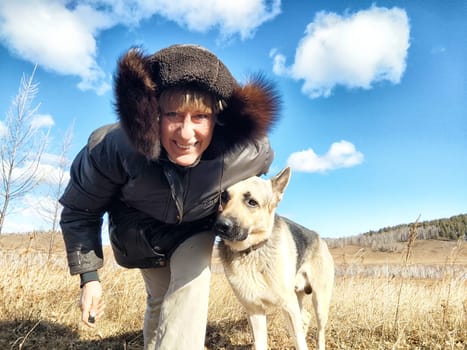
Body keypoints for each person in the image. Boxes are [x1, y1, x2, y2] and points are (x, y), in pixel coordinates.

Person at [59, 44, 280, 349]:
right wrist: (89, 277)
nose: (186, 134)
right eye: (173, 114)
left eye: (200, 116)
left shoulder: (245, 152)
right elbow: (80, 210)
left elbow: (264, 173)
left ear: (219, 120)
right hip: (140, 234)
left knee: (189, 289)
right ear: (151, 115)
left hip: (195, 229)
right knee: (159, 300)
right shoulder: (111, 149)